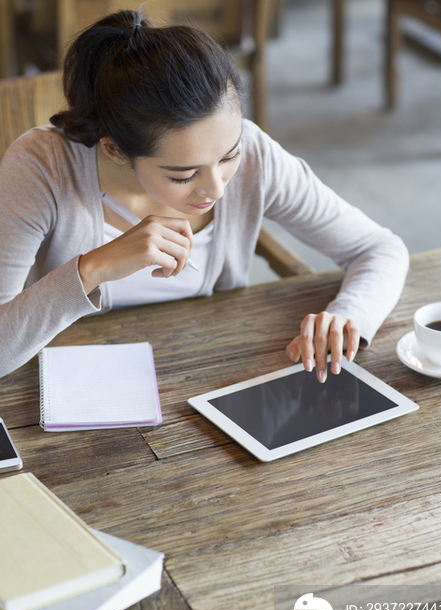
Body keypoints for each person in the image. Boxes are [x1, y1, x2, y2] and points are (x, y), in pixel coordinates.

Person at [0, 9, 409, 382]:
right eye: (183, 174)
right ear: (115, 150)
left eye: (228, 155)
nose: (217, 188)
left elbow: (379, 248)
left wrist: (348, 315)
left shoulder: (255, 153)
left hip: (205, 371)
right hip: (67, 384)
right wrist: (93, 268)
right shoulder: (42, 167)